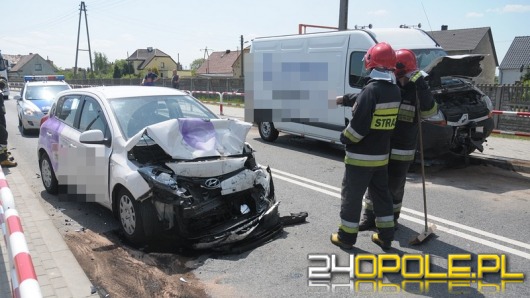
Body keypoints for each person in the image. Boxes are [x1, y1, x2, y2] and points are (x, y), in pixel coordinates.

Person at [330, 42, 401, 250]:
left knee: (352, 197)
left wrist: (344, 137)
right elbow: (365, 98)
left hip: (360, 158)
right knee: (381, 196)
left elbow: (358, 129)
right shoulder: (394, 90)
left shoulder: (371, 90)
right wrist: (343, 99)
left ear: (371, 62)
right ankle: (386, 236)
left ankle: (346, 237)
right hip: (381, 157)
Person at [358, 49, 438, 231]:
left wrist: (423, 88)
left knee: (394, 187)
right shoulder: (389, 87)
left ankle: (391, 220)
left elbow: (431, 113)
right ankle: (369, 218)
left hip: (403, 149)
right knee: (375, 185)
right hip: (383, 146)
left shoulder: (417, 91)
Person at [0, 79, 17, 167]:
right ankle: (3, 159)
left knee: (2, 136)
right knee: (3, 135)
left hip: (1, 116)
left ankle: (3, 155)